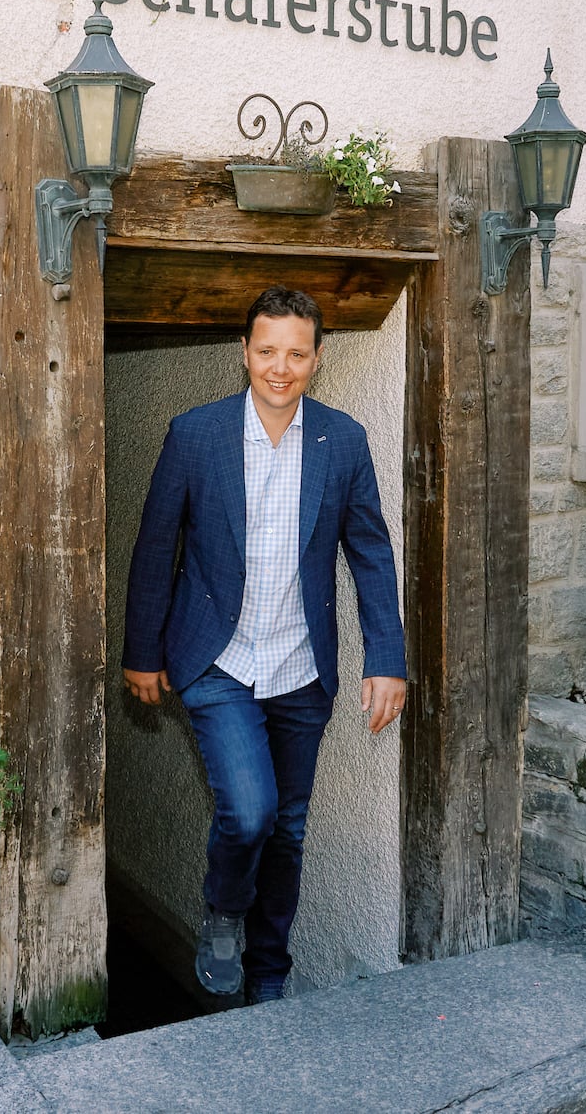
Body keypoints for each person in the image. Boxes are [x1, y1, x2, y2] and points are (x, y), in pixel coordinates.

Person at [121, 285, 406, 1005]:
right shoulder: (196, 434)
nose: (281, 367)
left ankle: (269, 973)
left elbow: (370, 552)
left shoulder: (342, 440)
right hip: (217, 658)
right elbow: (156, 547)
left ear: (317, 358)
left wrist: (386, 660)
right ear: (244, 352)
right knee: (248, 812)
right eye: (268, 351)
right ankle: (223, 911)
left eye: (297, 354)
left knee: (286, 830)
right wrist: (142, 652)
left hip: (301, 667)